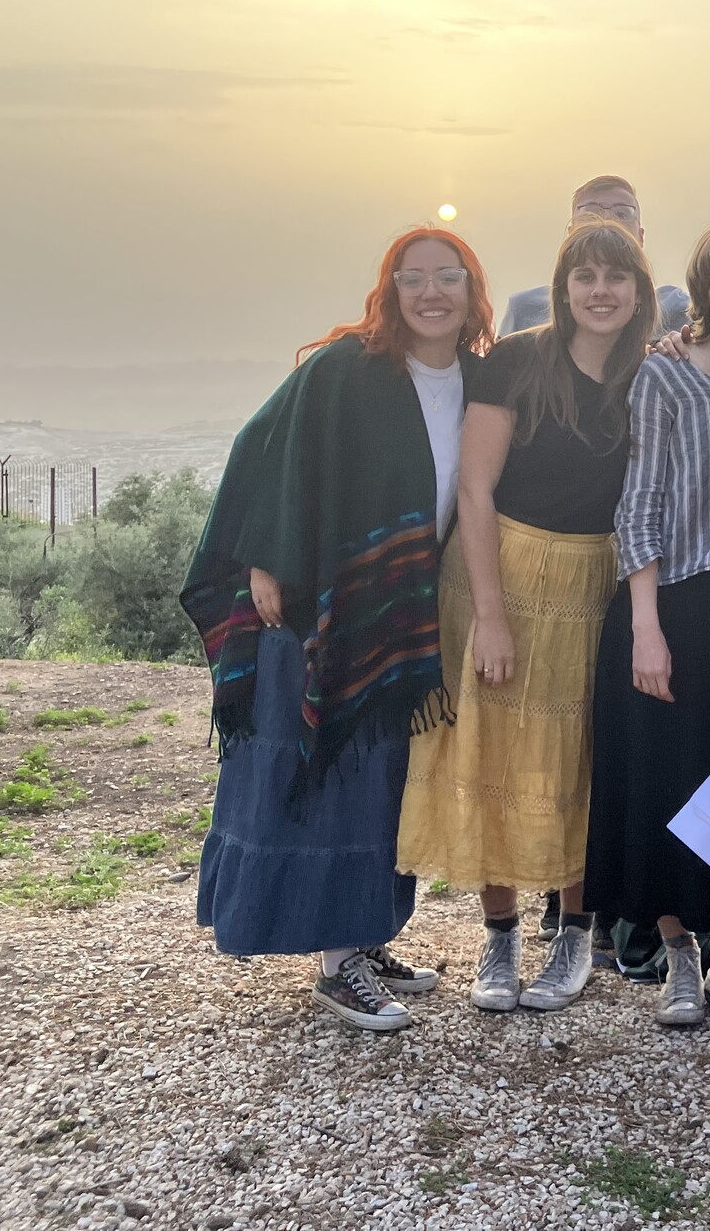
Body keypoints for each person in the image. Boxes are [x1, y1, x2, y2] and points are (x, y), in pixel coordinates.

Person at [185, 226, 493, 1030]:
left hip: (400, 612)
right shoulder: (347, 368)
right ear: (390, 291)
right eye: (412, 278)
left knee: (384, 782)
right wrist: (262, 561)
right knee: (329, 774)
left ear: (471, 291)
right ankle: (335, 965)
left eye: (447, 278)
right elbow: (262, 449)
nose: (431, 293)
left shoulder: (480, 380)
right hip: (321, 604)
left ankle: (362, 933)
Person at [397, 213, 656, 1011]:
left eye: (617, 276)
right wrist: (494, 617)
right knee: (491, 755)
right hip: (496, 572)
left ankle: (574, 936)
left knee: (575, 760)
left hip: (591, 585)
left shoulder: (648, 375)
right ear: (564, 287)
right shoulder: (514, 361)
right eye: (586, 276)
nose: (601, 291)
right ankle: (501, 938)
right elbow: (475, 489)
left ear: (640, 291)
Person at [585, 219, 710, 1036]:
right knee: (667, 783)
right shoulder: (664, 379)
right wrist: (645, 626)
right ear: (702, 291)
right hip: (671, 600)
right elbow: (641, 502)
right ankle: (676, 952)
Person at [501, 175, 689, 337]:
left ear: (640, 237)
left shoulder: (676, 307)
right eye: (590, 213)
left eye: (622, 213)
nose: (607, 221)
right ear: (570, 233)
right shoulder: (525, 309)